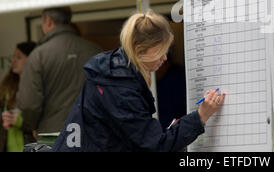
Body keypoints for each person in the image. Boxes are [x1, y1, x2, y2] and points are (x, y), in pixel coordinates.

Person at [53, 11, 225, 152]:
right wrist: (200, 116)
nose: (165, 58)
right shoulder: (120, 87)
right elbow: (156, 145)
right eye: (160, 51)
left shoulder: (112, 71)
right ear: (139, 50)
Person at [16, 7, 102, 137]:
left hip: (52, 135)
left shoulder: (38, 55)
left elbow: (29, 103)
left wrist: (33, 125)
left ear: (48, 21)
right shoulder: (96, 51)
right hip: (92, 131)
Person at [0, 42, 37, 152]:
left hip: (29, 147)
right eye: (13, 57)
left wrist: (20, 122)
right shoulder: (7, 85)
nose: (13, 60)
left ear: (31, 59)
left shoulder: (37, 86)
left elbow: (44, 124)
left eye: (19, 57)